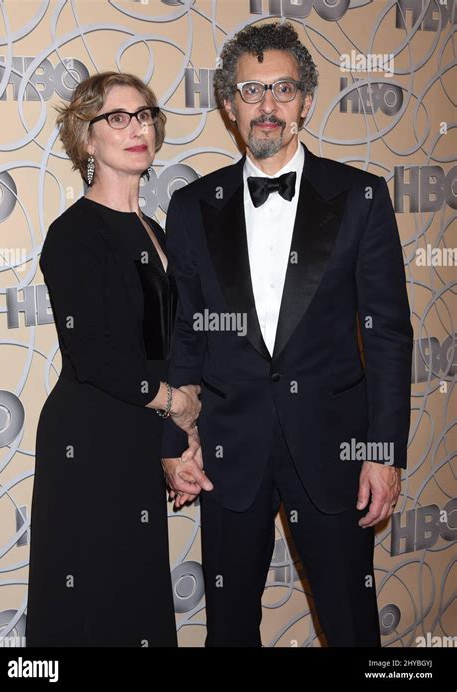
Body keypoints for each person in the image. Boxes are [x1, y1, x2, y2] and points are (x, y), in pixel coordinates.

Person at [161, 23, 413, 647]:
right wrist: (174, 439)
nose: (267, 105)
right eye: (251, 89)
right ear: (228, 104)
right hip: (229, 452)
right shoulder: (193, 207)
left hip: (334, 451)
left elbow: (386, 336)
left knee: (353, 628)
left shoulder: (360, 197)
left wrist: (384, 452)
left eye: (282, 89)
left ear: (305, 100)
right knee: (230, 632)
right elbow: (185, 335)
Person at [26, 72, 210, 647]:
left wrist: (181, 437)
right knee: (92, 608)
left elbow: (161, 348)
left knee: (136, 603)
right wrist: (174, 402)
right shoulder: (73, 233)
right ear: (87, 139)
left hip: (136, 437)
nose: (138, 128)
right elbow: (95, 357)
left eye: (145, 115)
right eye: (118, 118)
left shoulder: (154, 230)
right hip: (89, 440)